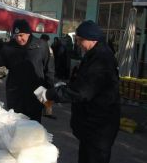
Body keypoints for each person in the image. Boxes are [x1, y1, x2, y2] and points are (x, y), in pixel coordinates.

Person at [34, 20, 120, 163]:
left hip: (99, 126)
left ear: (92, 38)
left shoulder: (101, 60)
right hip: (93, 125)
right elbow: (83, 82)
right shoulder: (95, 54)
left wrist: (50, 94)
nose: (78, 43)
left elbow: (81, 91)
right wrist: (66, 85)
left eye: (80, 40)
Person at [0, 19, 52, 122]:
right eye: (15, 36)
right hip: (15, 95)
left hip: (36, 94)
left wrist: (49, 99)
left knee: (34, 127)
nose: (18, 39)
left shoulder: (41, 45)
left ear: (28, 33)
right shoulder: (8, 47)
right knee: (16, 126)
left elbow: (48, 71)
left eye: (21, 35)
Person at [40, 34, 56, 119]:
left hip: (41, 74)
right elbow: (51, 64)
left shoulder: (39, 47)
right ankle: (47, 112)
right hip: (47, 74)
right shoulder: (49, 49)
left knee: (42, 92)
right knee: (47, 93)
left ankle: (44, 110)